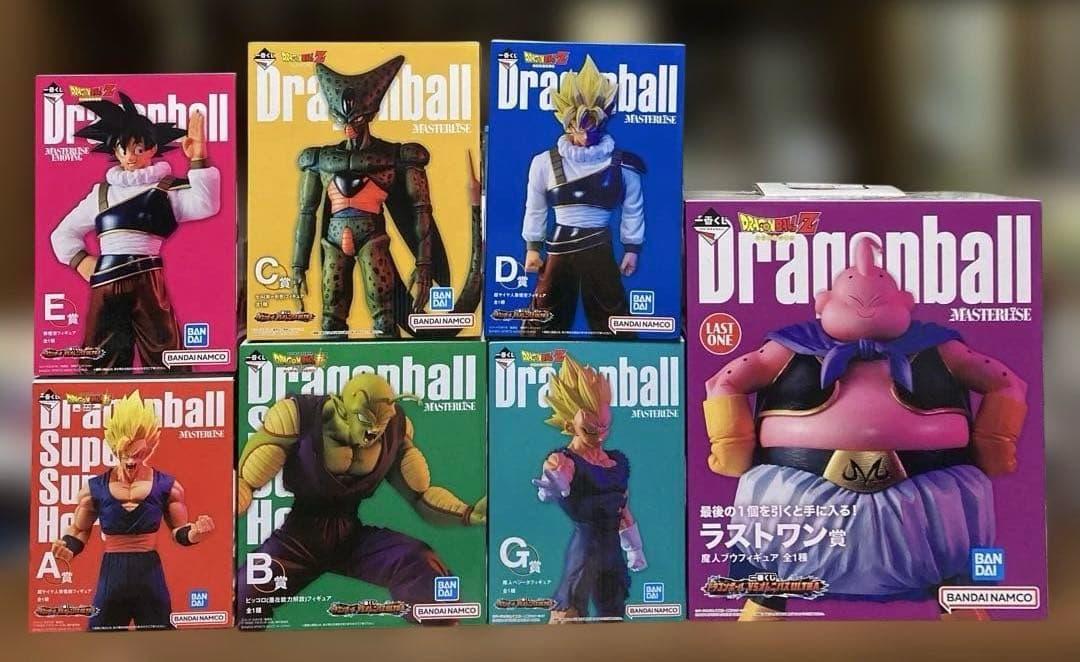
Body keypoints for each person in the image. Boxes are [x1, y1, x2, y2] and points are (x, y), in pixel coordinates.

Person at [50, 92, 220, 372]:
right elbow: (62, 234)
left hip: (147, 280)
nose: (130, 156)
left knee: (165, 353)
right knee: (100, 358)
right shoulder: (102, 193)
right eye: (123, 149)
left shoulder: (166, 189)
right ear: (115, 151)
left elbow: (206, 204)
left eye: (139, 148)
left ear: (152, 149)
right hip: (106, 282)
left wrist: (198, 158)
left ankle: (174, 395)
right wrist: (81, 261)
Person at [51, 391, 215, 630]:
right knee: (98, 634)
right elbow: (78, 529)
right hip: (112, 571)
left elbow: (179, 531)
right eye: (125, 454)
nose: (130, 461)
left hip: (149, 570)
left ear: (149, 448)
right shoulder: (93, 489)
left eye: (137, 454)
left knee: (160, 634)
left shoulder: (168, 486)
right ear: (114, 448)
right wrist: (68, 548)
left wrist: (195, 533)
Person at [520, 55, 645, 335]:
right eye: (579, 129)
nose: (586, 138)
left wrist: (632, 248)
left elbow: (633, 207)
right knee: (544, 316)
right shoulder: (544, 162)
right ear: (567, 124)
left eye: (593, 128)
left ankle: (621, 356)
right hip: (559, 246)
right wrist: (532, 247)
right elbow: (535, 206)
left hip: (600, 246)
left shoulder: (624, 165)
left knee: (613, 317)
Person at [532, 355, 646, 622]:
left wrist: (635, 548)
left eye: (605, 425)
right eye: (592, 428)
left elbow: (622, 509)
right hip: (585, 552)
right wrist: (554, 486)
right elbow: (558, 474)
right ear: (569, 425)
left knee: (613, 617)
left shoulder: (617, 461)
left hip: (613, 553)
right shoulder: (564, 459)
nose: (601, 433)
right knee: (568, 615)